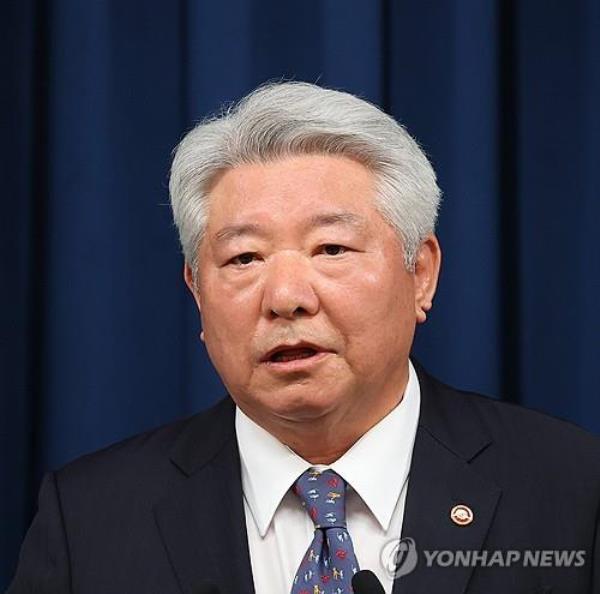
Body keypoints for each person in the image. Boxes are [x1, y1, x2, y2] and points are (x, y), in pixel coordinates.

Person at [8, 82, 600, 594]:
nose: (286, 296)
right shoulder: (90, 520)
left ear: (420, 274)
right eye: (243, 258)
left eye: (331, 249)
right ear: (196, 292)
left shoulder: (571, 488)